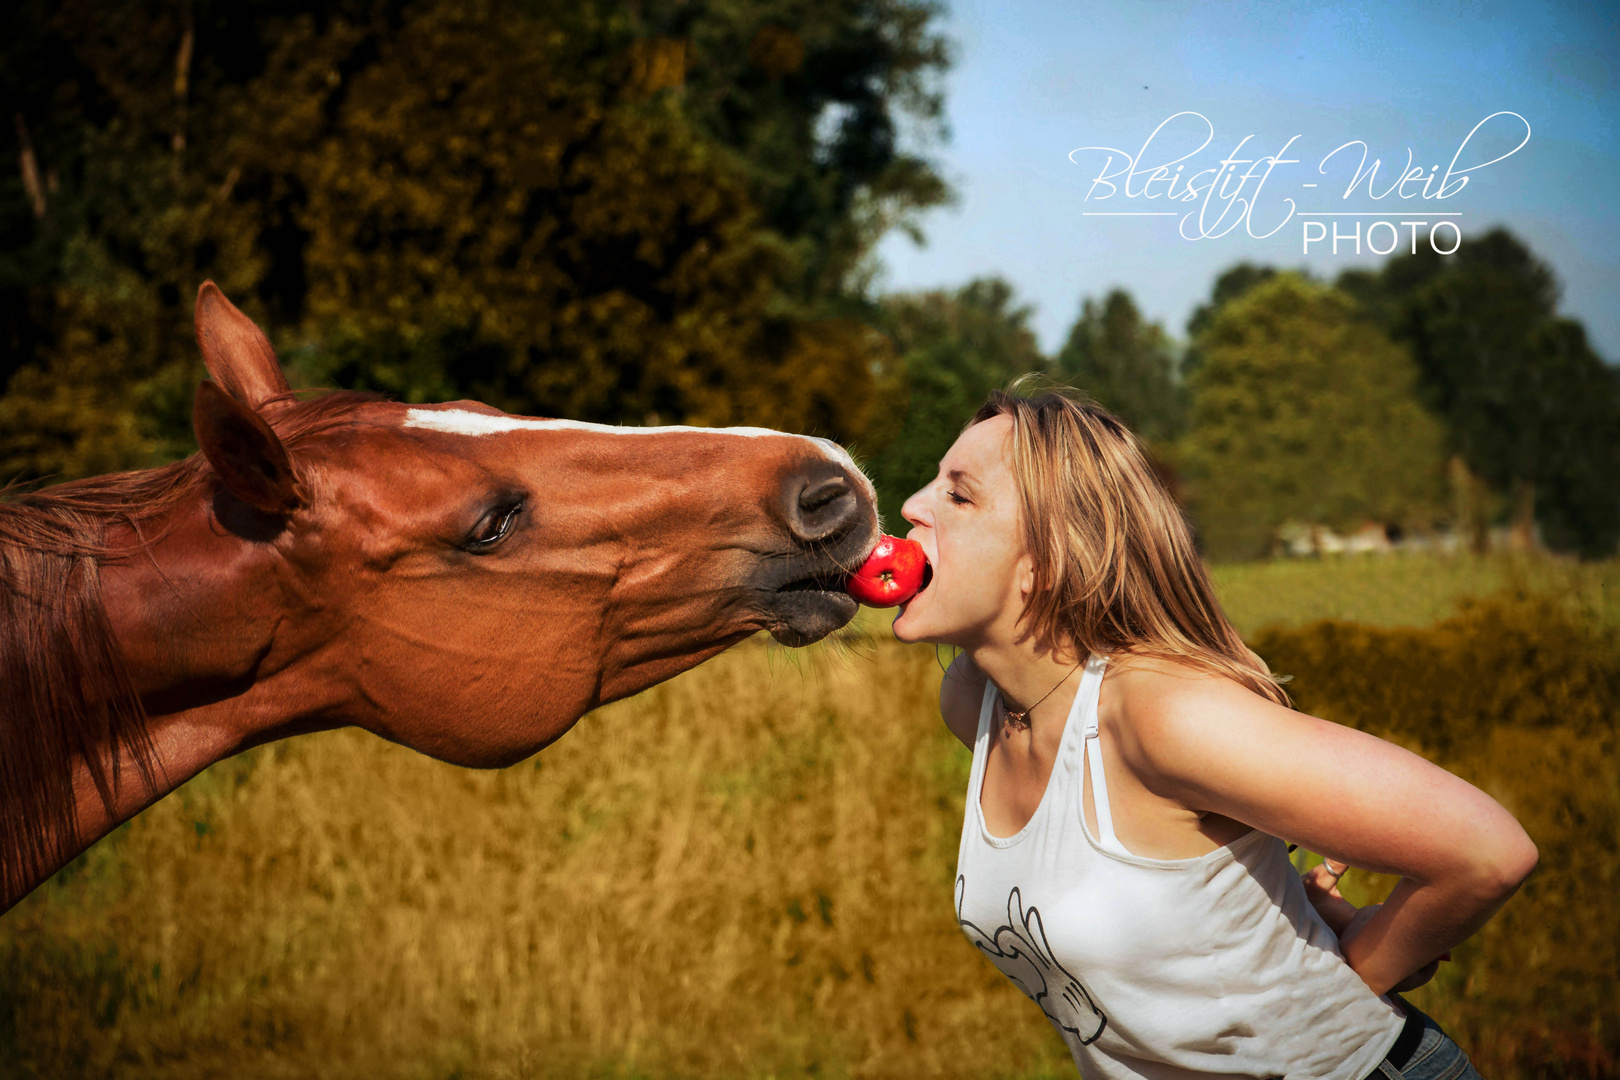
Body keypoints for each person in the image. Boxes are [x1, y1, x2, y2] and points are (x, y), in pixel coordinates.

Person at [891, 382, 1536, 1080]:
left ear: (1043, 562)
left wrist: (1357, 968)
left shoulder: (1161, 714)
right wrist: (1291, 907)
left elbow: (1486, 851)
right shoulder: (974, 702)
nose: (911, 507)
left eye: (959, 496)